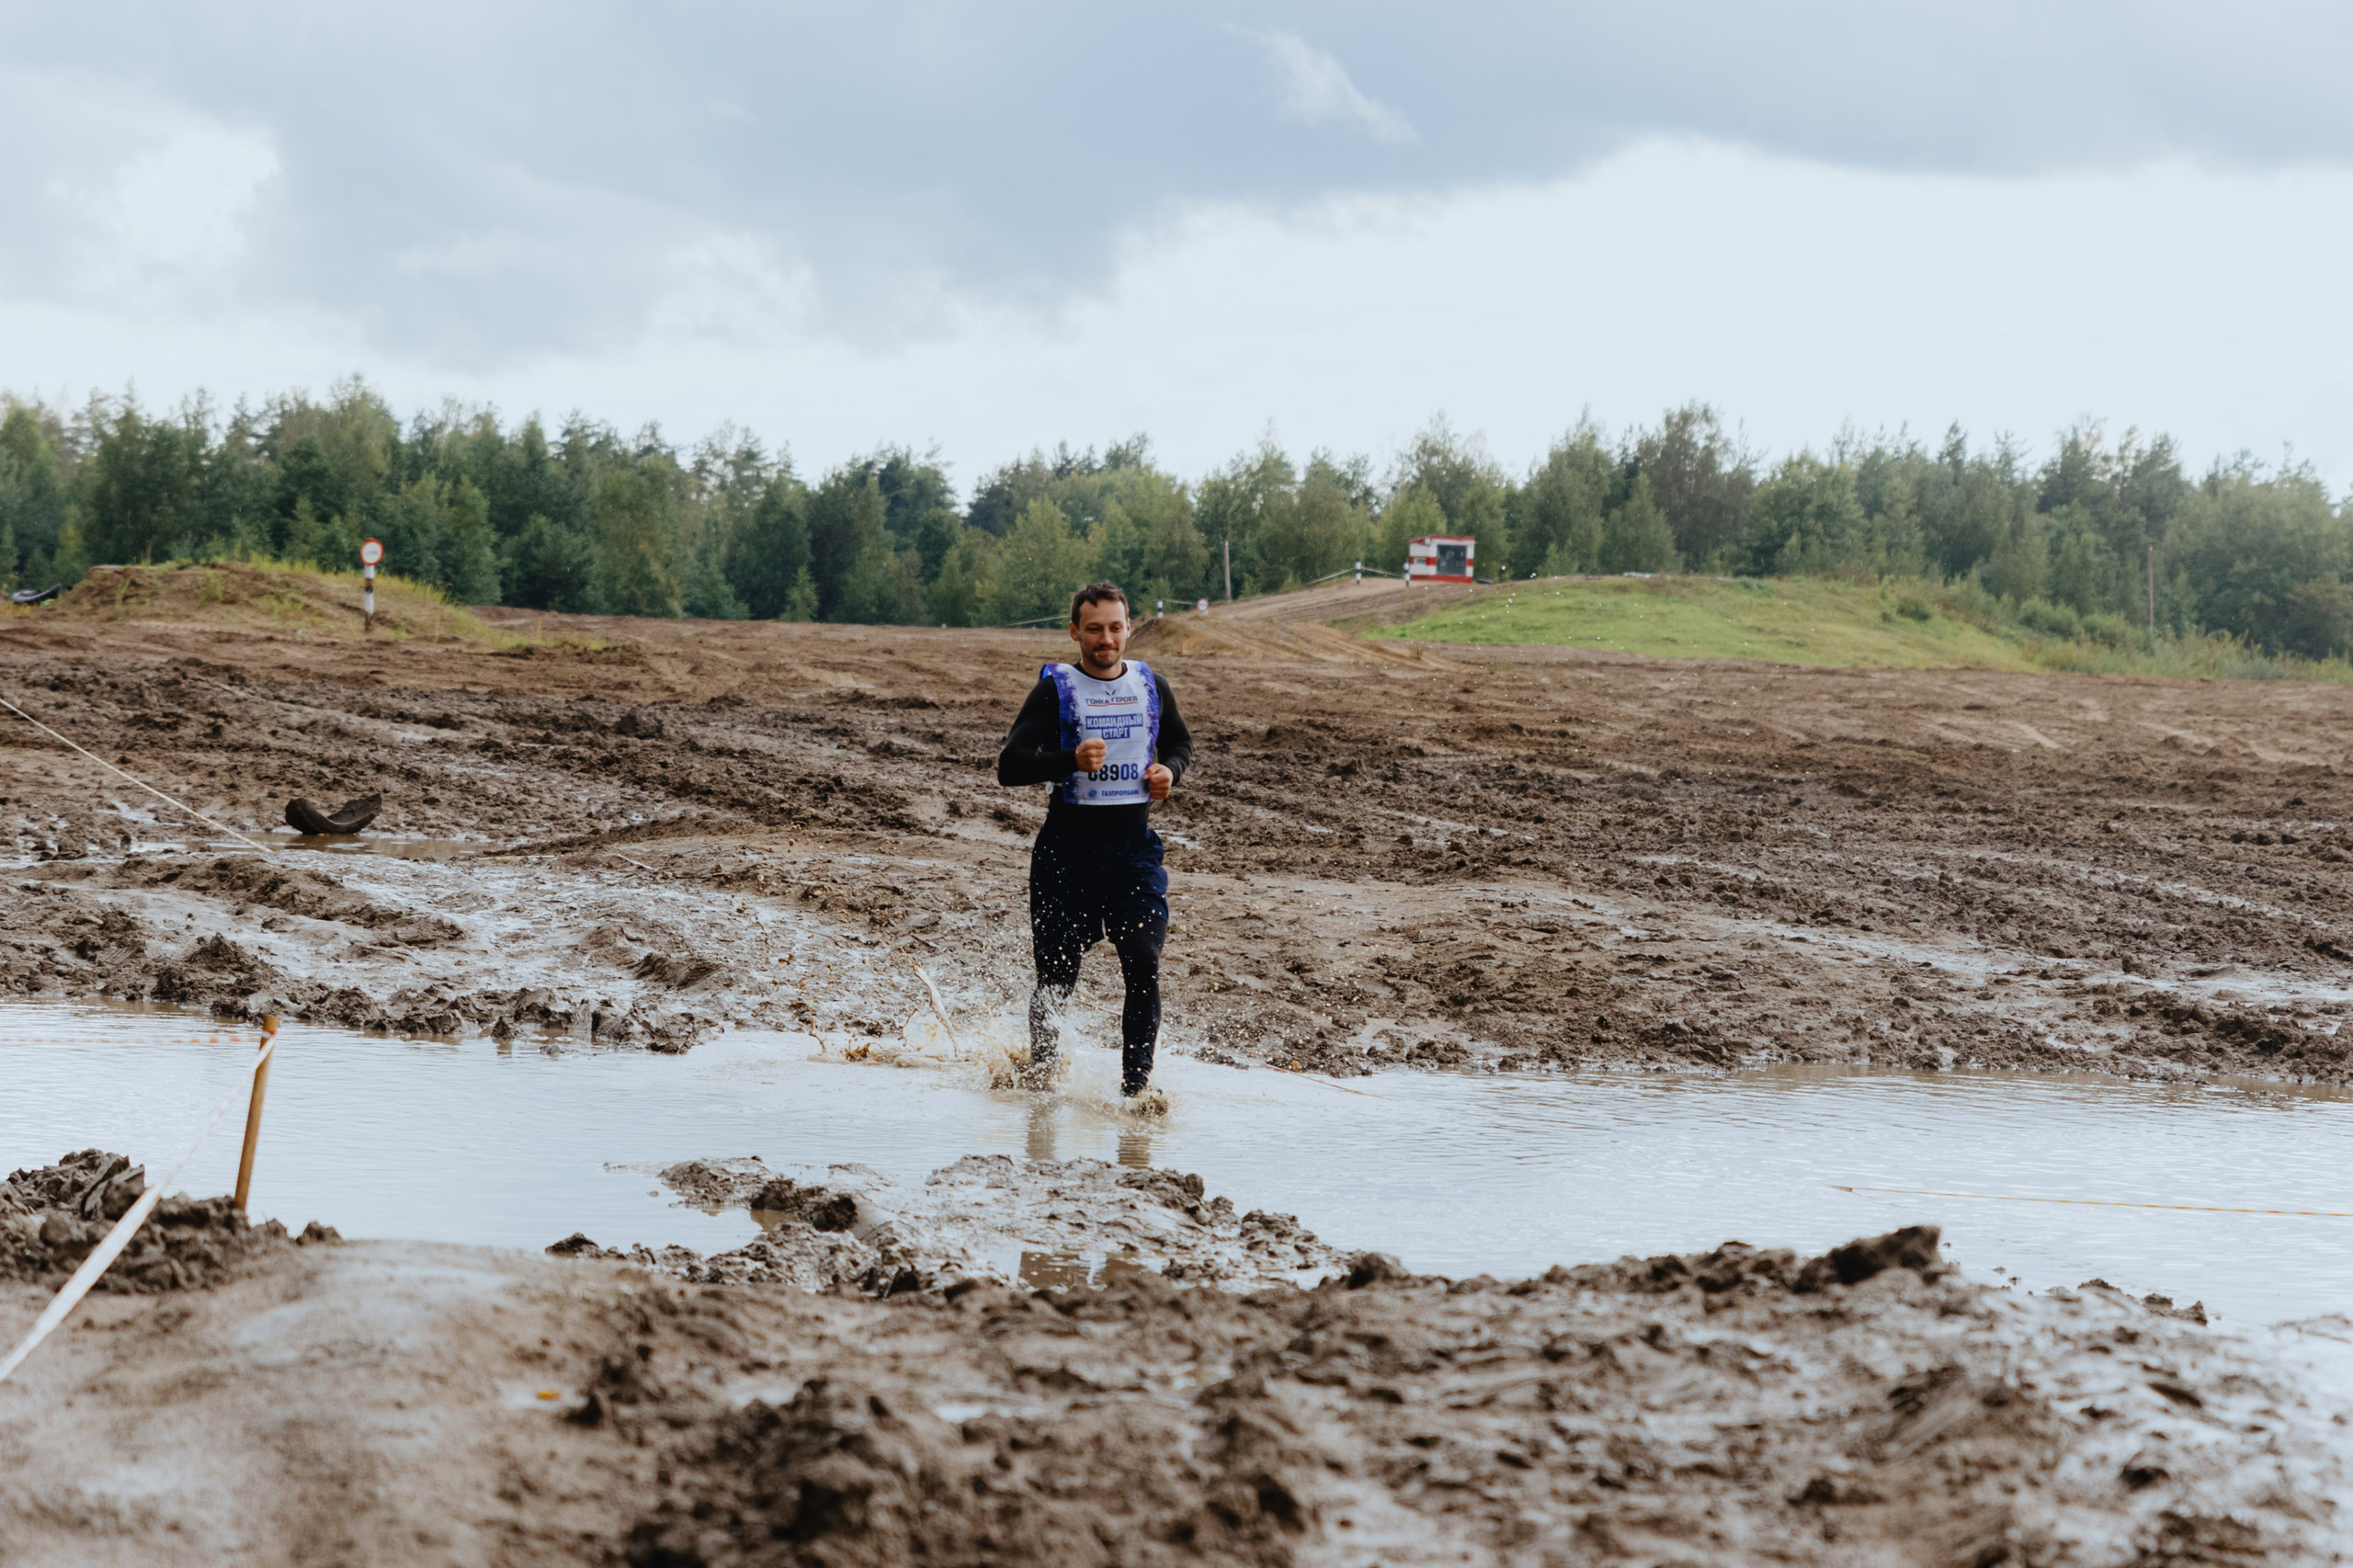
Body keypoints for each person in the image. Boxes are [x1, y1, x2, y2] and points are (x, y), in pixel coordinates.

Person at [995, 582, 1194, 1097]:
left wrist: (1169, 771)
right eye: (1094, 629)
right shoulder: (1054, 691)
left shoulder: (1153, 686)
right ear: (1075, 632)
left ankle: (1135, 1094)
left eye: (1114, 627)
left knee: (1143, 960)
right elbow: (1010, 766)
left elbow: (1178, 742)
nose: (1105, 639)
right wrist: (1068, 760)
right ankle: (1040, 1085)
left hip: (1134, 853)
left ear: (1129, 628)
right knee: (1057, 978)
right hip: (1067, 854)